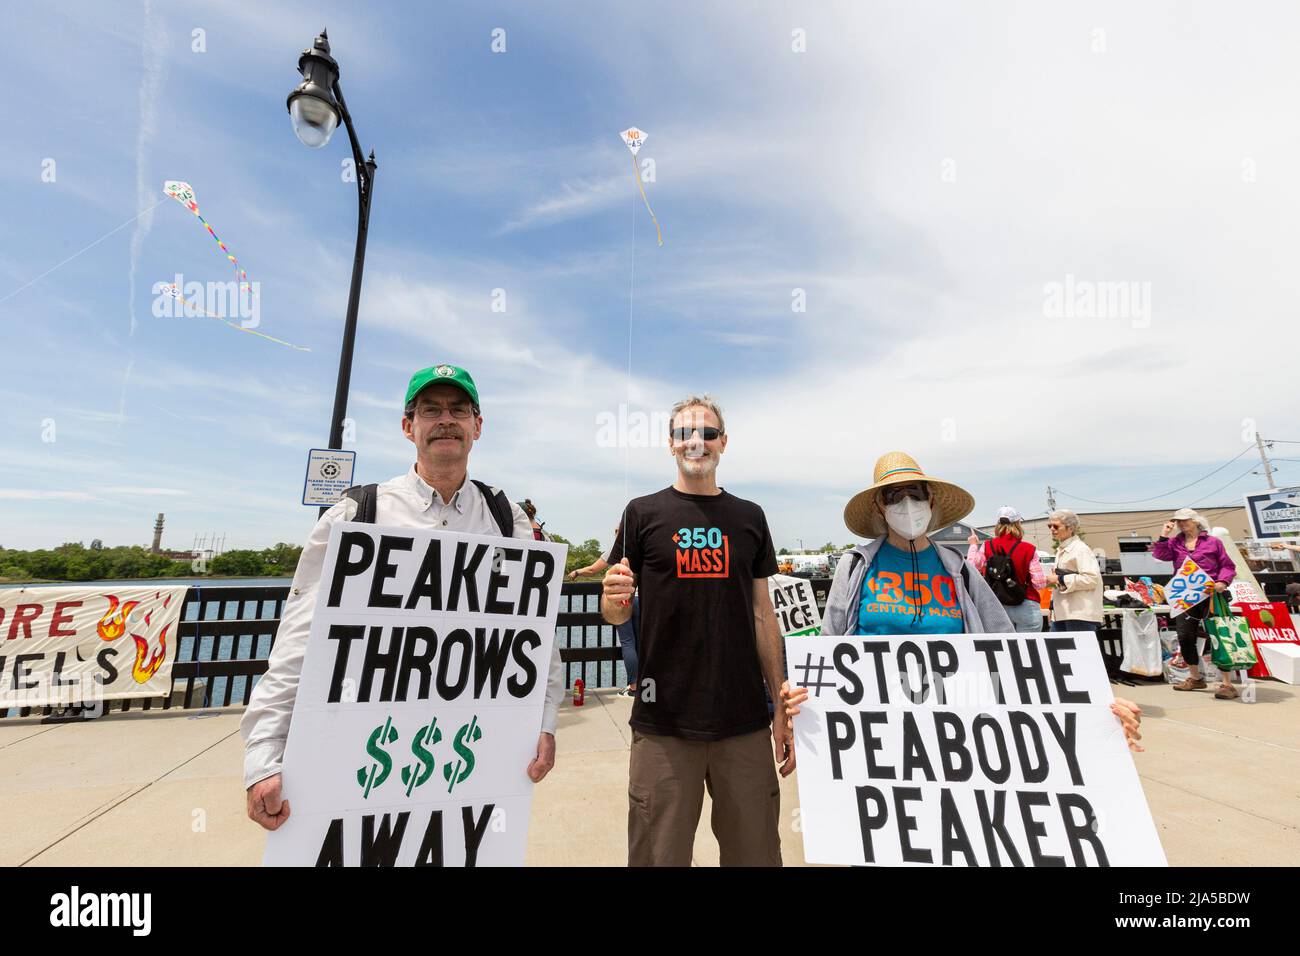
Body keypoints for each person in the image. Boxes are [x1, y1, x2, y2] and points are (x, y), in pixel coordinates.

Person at [240, 364, 565, 831]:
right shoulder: (358, 514)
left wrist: (544, 720)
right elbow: (298, 640)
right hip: (362, 750)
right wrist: (264, 756)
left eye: (459, 409)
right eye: (430, 410)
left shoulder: (503, 517)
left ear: (478, 426)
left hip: (472, 754)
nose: (446, 420)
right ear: (408, 426)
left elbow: (535, 636)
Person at [784, 456, 1143, 752]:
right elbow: (828, 647)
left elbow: (1009, 652)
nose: (907, 503)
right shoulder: (856, 565)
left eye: (916, 492)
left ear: (931, 501)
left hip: (954, 731)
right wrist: (798, 690)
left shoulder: (959, 569)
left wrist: (1096, 706)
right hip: (875, 732)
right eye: (894, 495)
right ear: (880, 506)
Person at [600, 394, 790, 867]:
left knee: (757, 855)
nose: (696, 442)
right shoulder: (641, 513)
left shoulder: (751, 517)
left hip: (744, 720)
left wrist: (780, 704)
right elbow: (619, 616)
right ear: (670, 444)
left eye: (707, 433)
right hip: (662, 723)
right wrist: (611, 601)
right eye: (685, 433)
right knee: (657, 856)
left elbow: (763, 614)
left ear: (723, 442)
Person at [1152, 508, 1239, 700]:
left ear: (1196, 521)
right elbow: (1160, 555)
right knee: (1184, 635)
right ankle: (1195, 676)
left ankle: (1227, 683)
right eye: (1178, 521)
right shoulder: (1175, 542)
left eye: (1185, 521)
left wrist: (1222, 582)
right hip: (1186, 596)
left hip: (1211, 594)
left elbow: (1227, 565)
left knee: (1218, 635)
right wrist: (1164, 534)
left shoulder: (1213, 542)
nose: (1182, 524)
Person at [965, 506, 1046, 633]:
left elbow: (972, 566)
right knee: (1029, 649)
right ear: (1018, 524)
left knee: (1005, 649)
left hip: (997, 605)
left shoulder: (988, 546)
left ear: (998, 525)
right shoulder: (1029, 549)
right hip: (1026, 605)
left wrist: (973, 545)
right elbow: (1039, 583)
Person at [1043, 510, 1103, 634]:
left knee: (1081, 652)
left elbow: (1091, 579)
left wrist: (1059, 579)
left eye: (1056, 526)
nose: (1052, 529)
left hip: (1078, 613)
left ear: (1070, 528)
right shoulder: (1063, 549)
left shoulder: (1080, 549)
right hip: (1065, 612)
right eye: (1050, 526)